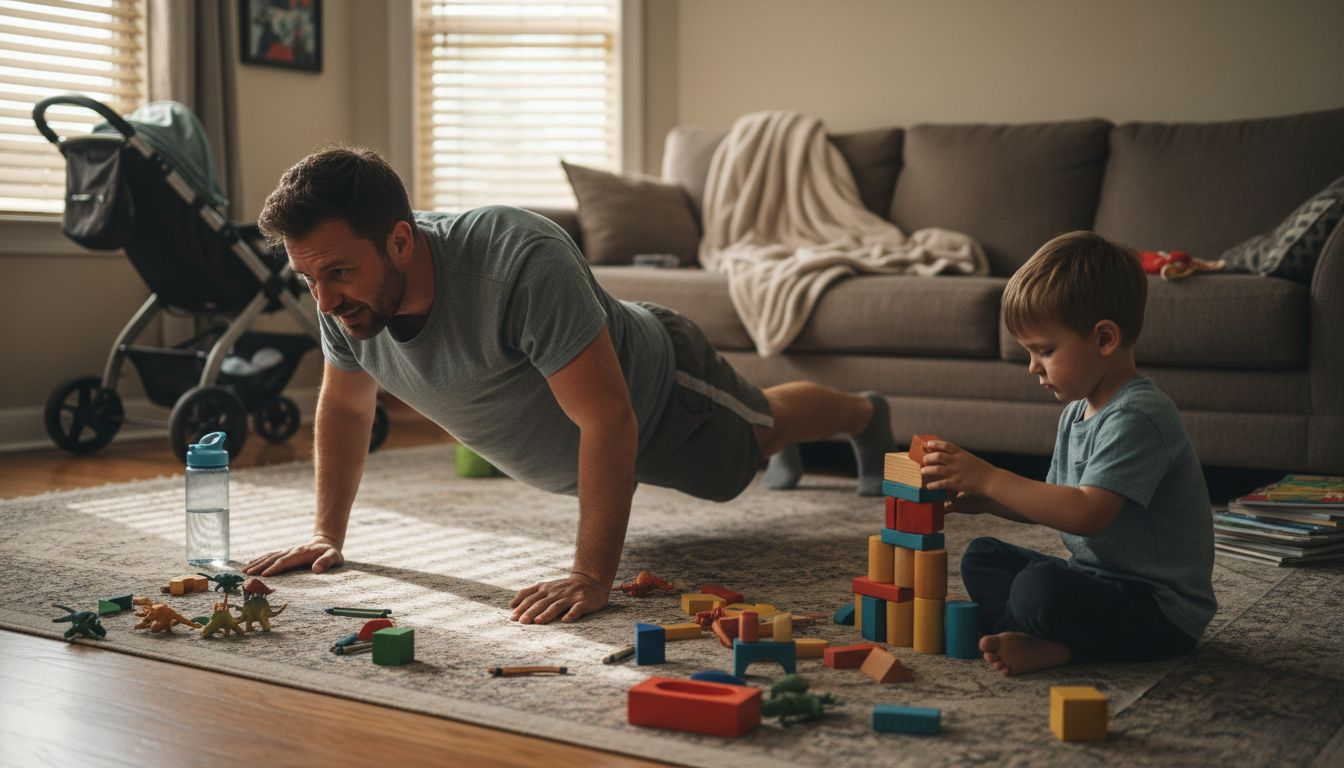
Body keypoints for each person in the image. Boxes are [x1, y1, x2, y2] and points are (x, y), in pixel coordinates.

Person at [241, 146, 897, 624]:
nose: (323, 300)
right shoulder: (349, 303)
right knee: (756, 445)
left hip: (665, 391)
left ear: (402, 241)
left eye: (337, 273)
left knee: (757, 441)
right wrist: (329, 535)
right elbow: (347, 409)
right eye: (308, 278)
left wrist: (590, 576)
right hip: (592, 438)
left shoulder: (517, 261)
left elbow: (609, 420)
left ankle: (865, 416)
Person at [920, 231, 1216, 675]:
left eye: (1044, 350)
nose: (1033, 367)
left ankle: (1058, 647)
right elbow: (1056, 498)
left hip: (1159, 612)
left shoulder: (1139, 414)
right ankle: (1028, 629)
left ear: (1104, 338)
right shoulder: (1077, 410)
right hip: (1097, 583)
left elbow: (1084, 514)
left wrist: (989, 476)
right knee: (983, 556)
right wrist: (991, 503)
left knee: (1040, 589)